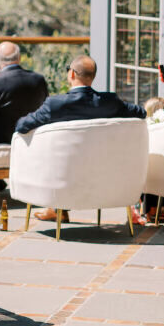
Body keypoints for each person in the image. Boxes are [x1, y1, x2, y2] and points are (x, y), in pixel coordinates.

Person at [14, 55, 146, 223]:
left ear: (72, 75)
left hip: (62, 178)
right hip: (103, 176)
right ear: (93, 77)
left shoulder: (55, 105)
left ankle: (57, 207)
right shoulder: (110, 102)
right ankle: (56, 209)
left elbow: (21, 126)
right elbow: (141, 113)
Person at [0, 41, 48, 143]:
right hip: (34, 142)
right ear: (19, 58)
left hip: (2, 146)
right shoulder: (38, 80)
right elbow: (45, 111)